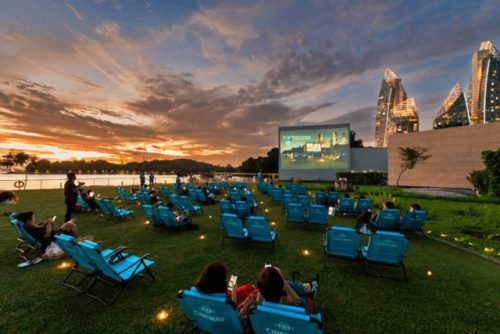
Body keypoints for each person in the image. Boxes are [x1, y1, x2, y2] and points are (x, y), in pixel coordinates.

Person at [239, 266, 319, 321]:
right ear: (282, 290)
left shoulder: (254, 311)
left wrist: (264, 284)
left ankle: (309, 288)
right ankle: (309, 290)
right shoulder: (297, 310)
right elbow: (300, 303)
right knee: (303, 297)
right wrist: (283, 281)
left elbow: (258, 302)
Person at [15, 211, 92, 250]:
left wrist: (45, 223)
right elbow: (46, 236)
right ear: (28, 221)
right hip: (53, 238)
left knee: (71, 224)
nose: (34, 219)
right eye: (33, 218)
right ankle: (78, 241)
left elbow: (39, 227)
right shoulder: (31, 228)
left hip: (54, 234)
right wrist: (49, 225)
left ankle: (76, 240)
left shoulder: (28, 226)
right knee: (71, 224)